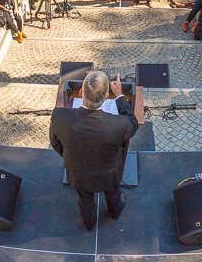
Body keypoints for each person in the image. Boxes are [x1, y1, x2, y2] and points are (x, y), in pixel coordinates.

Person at [49, 71, 138, 231]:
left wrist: (70, 157)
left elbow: (55, 143)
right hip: (109, 173)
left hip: (78, 174)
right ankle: (114, 212)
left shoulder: (59, 116)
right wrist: (119, 96)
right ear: (105, 98)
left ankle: (89, 223)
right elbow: (133, 122)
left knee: (85, 199)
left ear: (81, 93)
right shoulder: (118, 124)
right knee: (112, 193)